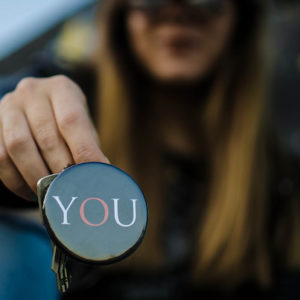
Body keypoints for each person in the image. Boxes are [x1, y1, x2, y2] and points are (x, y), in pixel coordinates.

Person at [0, 0, 299, 298]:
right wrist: (16, 119)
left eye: (206, 2)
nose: (178, 12)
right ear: (121, 14)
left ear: (242, 18)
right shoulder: (72, 105)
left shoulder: (280, 170)